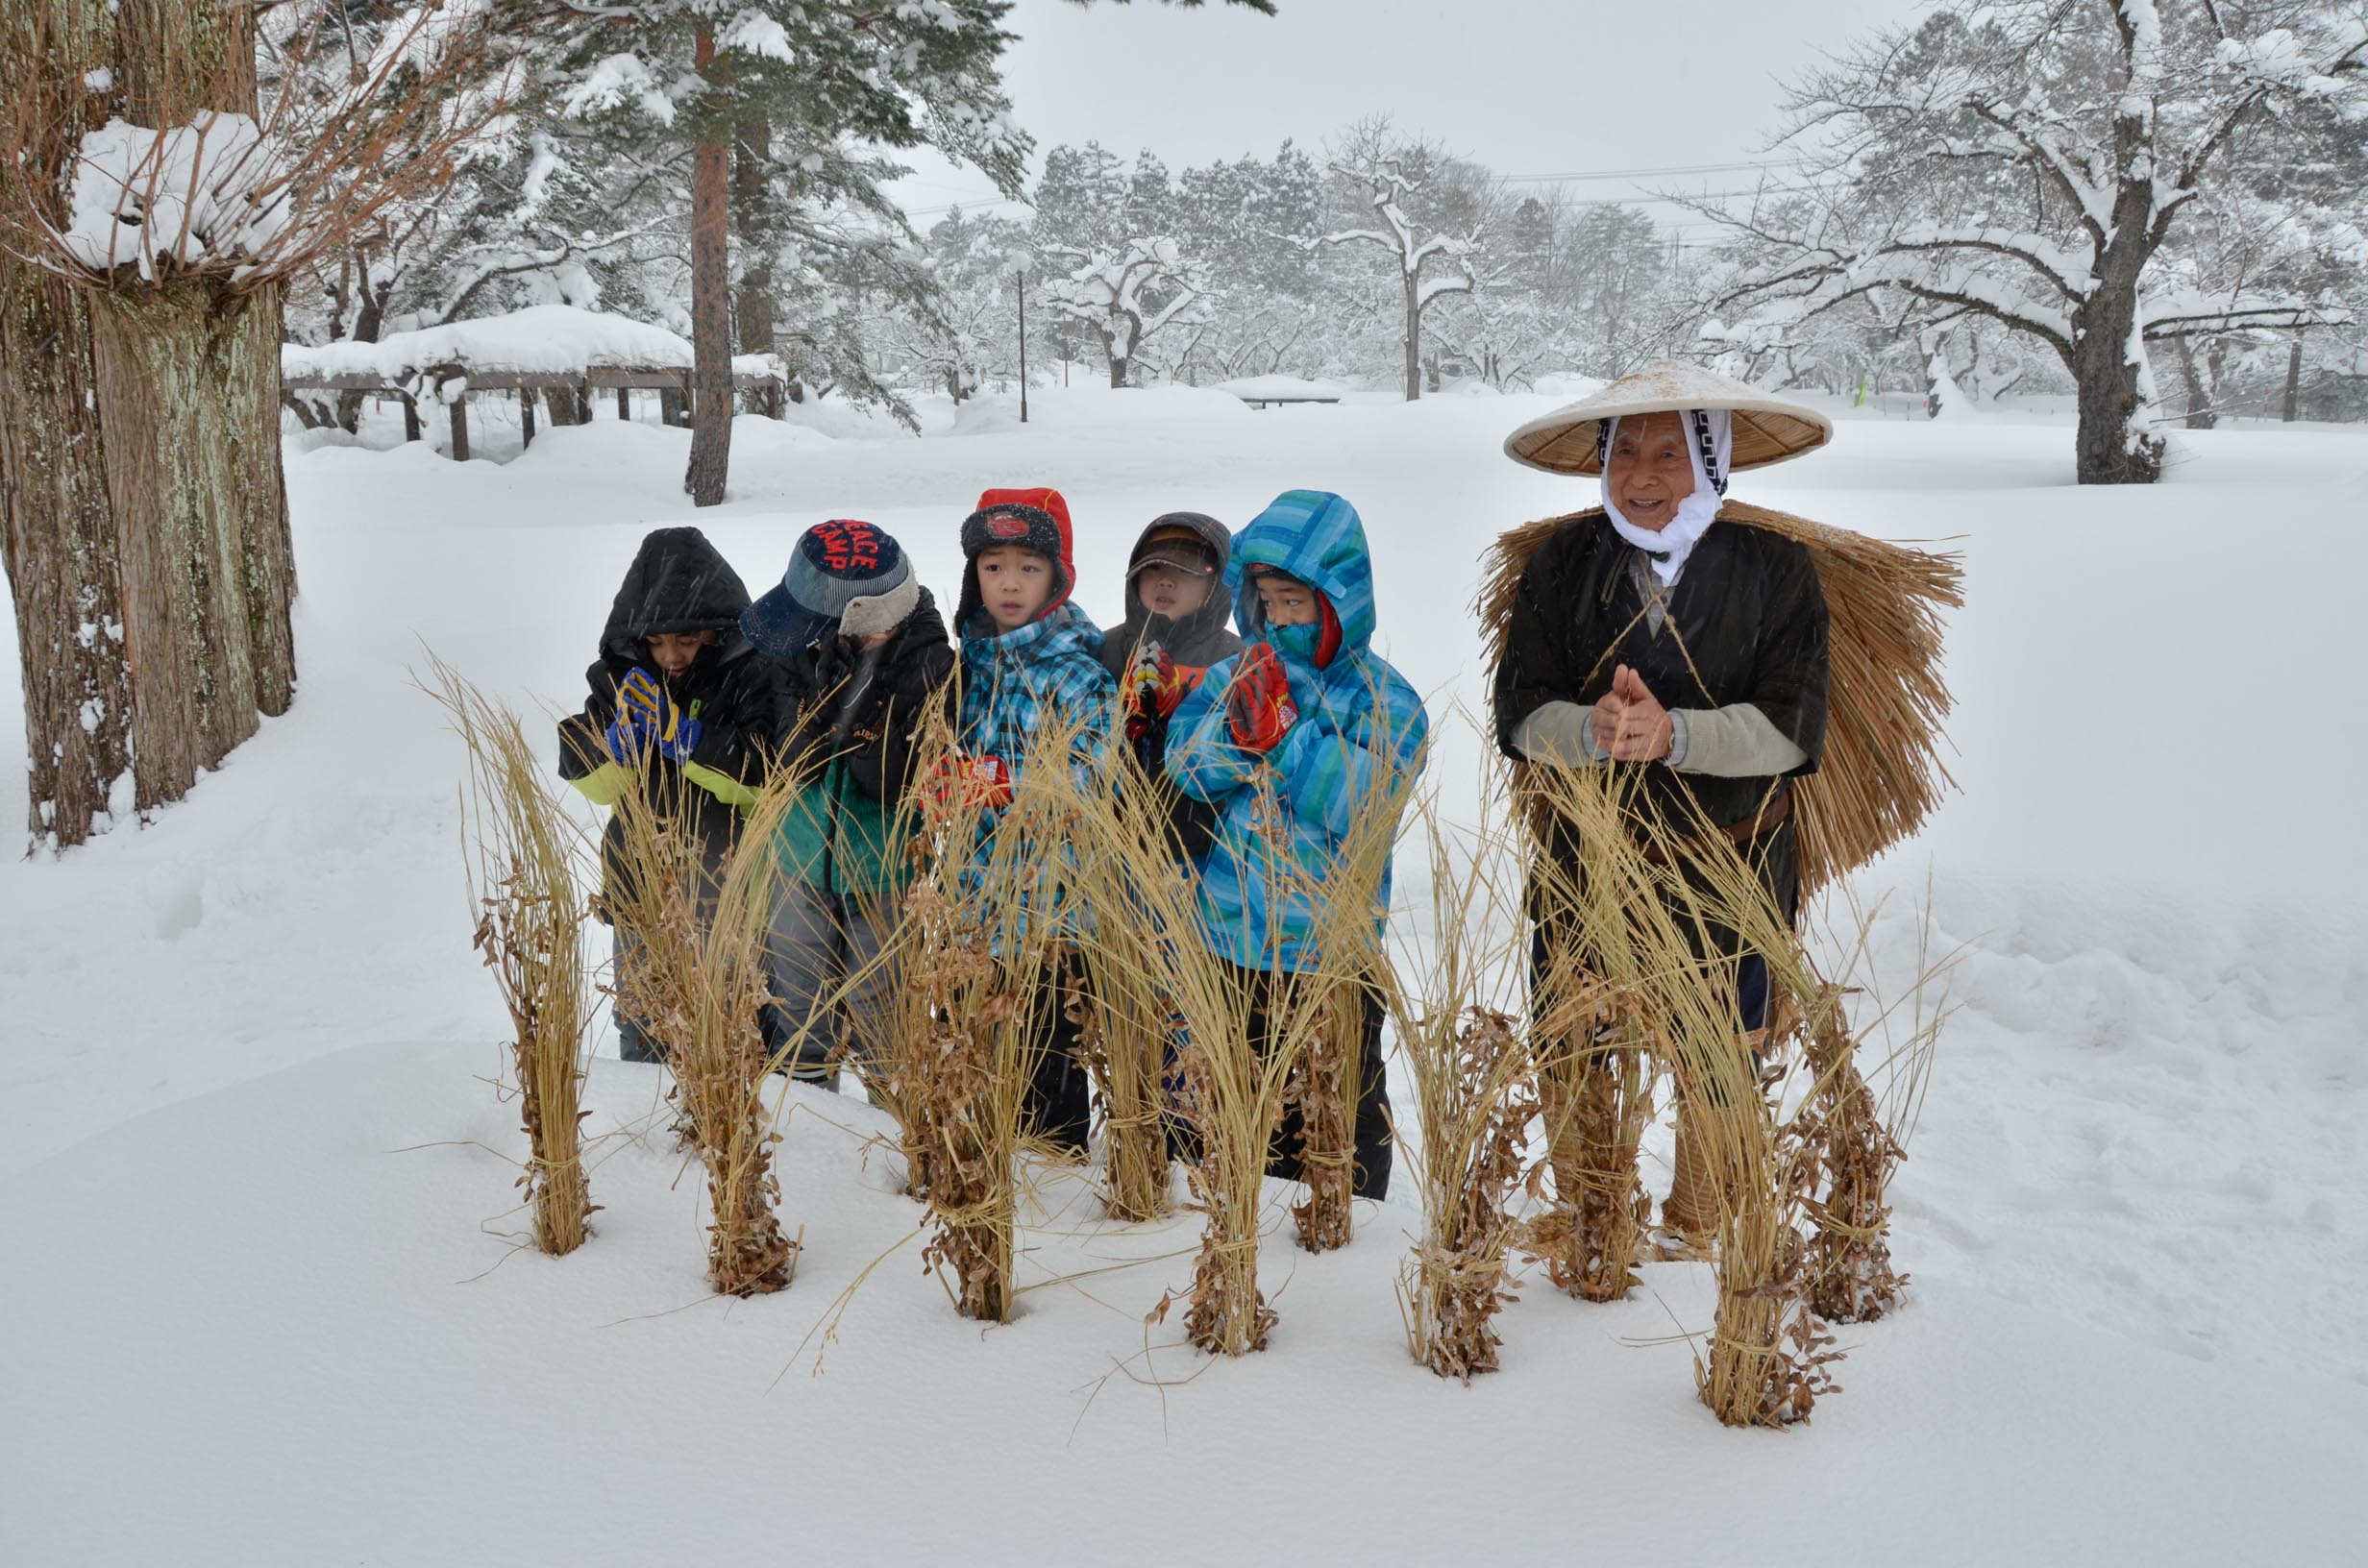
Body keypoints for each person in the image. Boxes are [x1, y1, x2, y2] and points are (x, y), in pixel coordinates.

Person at [1492, 360, 1833, 1244]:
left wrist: (1676, 736)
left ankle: (1701, 1230)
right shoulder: (1562, 564)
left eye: (1671, 453)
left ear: (1714, 461)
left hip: (1732, 858)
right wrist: (1593, 729)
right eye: (1625, 451)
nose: (1642, 475)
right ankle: (1590, 1218)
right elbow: (1521, 711)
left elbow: (1793, 730)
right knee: (1573, 1040)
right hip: (1587, 860)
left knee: (1720, 1053)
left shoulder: (1777, 569)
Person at [1166, 489, 1428, 1201]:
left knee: (1330, 1115)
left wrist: (1284, 739)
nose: (1278, 620)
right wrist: (1231, 736)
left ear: (1339, 601)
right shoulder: (1234, 676)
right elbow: (1183, 766)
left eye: (1296, 604)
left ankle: (1342, 1233)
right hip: (1224, 942)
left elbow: (1365, 806)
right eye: (1268, 602)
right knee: (1211, 1106)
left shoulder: (1388, 701)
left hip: (1329, 957)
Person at [741, 520, 954, 1085]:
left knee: (886, 1028)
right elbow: (787, 748)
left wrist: (863, 697)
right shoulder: (802, 650)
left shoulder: (929, 667)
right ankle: (807, 1139)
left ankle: (896, 1145)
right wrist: (826, 708)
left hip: (882, 875)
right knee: (797, 1019)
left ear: (861, 619)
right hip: (798, 861)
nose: (804, 637)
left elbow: (895, 780)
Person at [557, 526, 776, 1064]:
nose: (671, 655)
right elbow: (598, 786)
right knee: (643, 1026)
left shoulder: (753, 677)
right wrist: (611, 751)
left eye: (686, 639)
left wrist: (688, 742)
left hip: (727, 890)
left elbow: (762, 783)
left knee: (732, 1026)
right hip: (640, 885)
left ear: (718, 632)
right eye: (656, 642)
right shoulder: (617, 680)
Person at [950, 486, 1118, 1154]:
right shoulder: (973, 665)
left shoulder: (1079, 673)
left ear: (1057, 576)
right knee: (980, 1067)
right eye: (994, 567)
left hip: (1051, 918)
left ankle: (1054, 1199)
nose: (1009, 584)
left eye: (1028, 567)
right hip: (974, 909)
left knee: (1047, 1079)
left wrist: (990, 784)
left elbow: (1088, 781)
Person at [1098, 511, 1244, 861]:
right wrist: (1124, 722)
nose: (1165, 582)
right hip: (1108, 850)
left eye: (1184, 573)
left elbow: (1239, 758)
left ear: (1216, 586)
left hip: (1203, 853)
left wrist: (1175, 714)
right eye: (1155, 570)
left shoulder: (1237, 662)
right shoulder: (1103, 650)